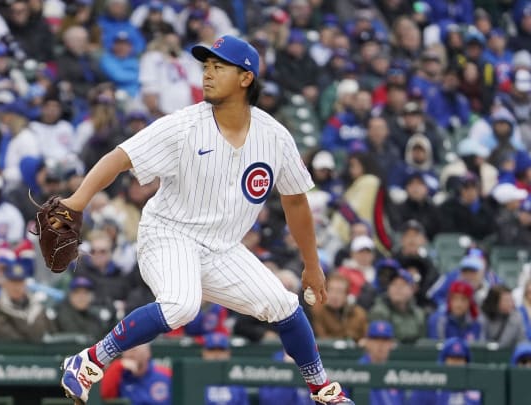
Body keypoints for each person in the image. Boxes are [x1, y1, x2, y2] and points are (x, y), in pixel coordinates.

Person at [57, 35, 353, 404]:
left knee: (285, 306)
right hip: (168, 233)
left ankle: (322, 389)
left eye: (219, 67)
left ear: (246, 78)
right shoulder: (182, 126)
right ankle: (89, 361)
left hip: (223, 248)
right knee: (181, 305)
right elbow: (119, 158)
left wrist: (312, 265)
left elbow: (295, 202)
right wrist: (77, 201)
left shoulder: (274, 137)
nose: (208, 74)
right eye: (206, 67)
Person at [408, 337, 481, 405]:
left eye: (460, 359)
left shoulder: (475, 388)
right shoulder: (429, 385)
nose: (456, 363)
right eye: (452, 359)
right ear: (444, 361)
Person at [99, 343, 172, 405]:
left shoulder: (164, 374)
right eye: (127, 349)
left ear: (148, 353)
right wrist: (117, 366)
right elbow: (105, 396)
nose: (131, 352)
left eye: (135, 349)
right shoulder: (118, 374)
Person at [311, 273, 368, 342]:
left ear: (346, 295)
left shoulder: (359, 314)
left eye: (339, 291)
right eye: (331, 290)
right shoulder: (318, 311)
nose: (334, 296)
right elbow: (322, 338)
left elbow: (366, 337)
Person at [358, 321, 404, 405]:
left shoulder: (394, 372)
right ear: (367, 342)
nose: (380, 344)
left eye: (385, 340)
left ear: (391, 344)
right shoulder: (357, 370)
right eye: (376, 339)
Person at [202, 333, 249, 405]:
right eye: (212, 350)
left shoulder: (237, 380)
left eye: (221, 350)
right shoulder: (195, 380)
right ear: (204, 353)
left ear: (228, 353)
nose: (216, 355)